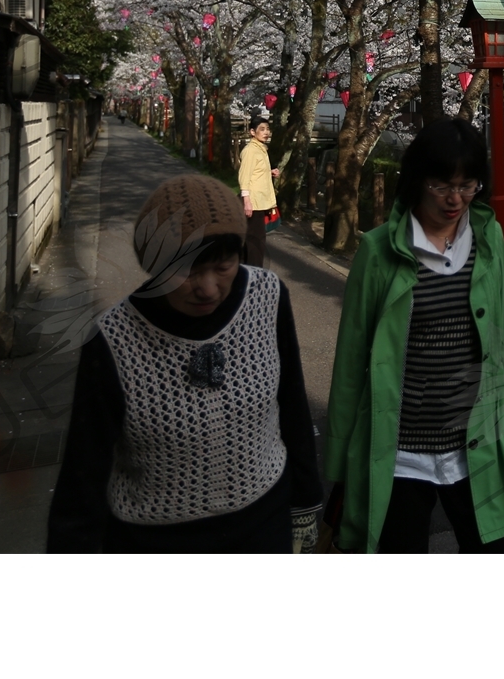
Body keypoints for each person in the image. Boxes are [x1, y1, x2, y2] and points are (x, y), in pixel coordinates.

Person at [47, 172, 322, 553]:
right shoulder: (113, 340)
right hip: (155, 542)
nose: (208, 288)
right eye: (186, 268)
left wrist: (306, 506)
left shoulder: (267, 298)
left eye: (223, 265)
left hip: (265, 527)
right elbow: (84, 475)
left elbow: (292, 405)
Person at [322, 117, 504, 553]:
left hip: (473, 441)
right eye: (442, 185)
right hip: (401, 450)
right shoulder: (378, 252)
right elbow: (351, 359)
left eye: (467, 184)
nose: (455, 198)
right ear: (418, 180)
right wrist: (341, 456)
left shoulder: (488, 237)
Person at [238, 112, 280, 266]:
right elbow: (244, 177)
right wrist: (247, 201)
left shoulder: (261, 149)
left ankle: (243, 271)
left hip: (259, 201)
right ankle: (254, 274)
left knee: (251, 238)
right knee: (256, 240)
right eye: (262, 129)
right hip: (253, 202)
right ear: (252, 132)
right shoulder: (250, 150)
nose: (266, 132)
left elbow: (255, 172)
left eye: (267, 129)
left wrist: (269, 173)